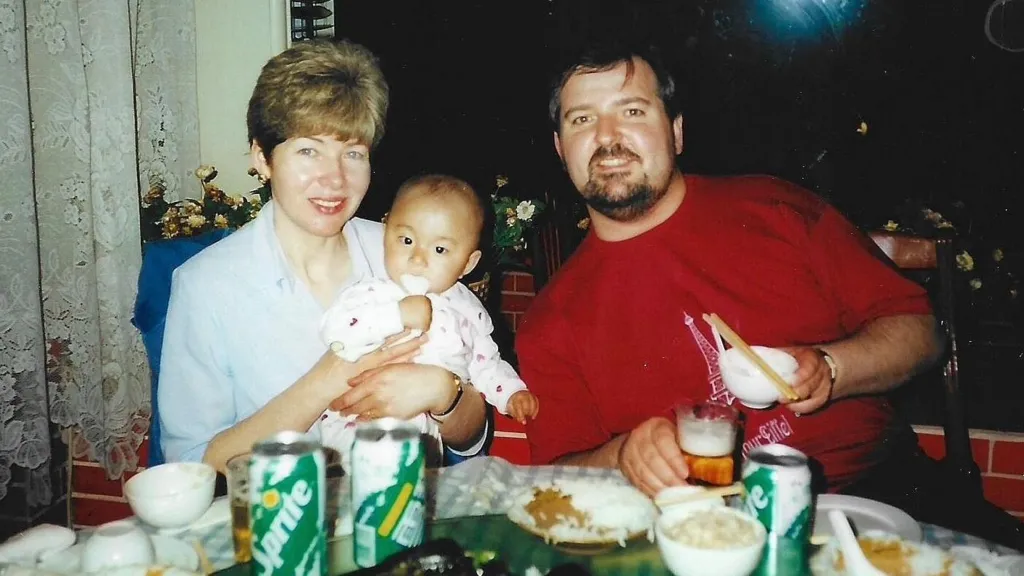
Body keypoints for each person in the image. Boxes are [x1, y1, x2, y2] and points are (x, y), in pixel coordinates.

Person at [516, 41, 1024, 550]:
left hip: (884, 493)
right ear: (561, 148)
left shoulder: (775, 207)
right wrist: (623, 456)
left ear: (675, 130)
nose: (608, 137)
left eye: (632, 111)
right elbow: (554, 478)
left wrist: (830, 368)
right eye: (582, 120)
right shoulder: (550, 319)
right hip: (692, 531)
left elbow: (921, 334)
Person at [158, 40, 488, 474]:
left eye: (353, 153)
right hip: (277, 523)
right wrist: (326, 380)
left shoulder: (406, 253)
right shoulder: (206, 287)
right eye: (308, 150)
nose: (335, 179)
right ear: (263, 157)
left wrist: (444, 394)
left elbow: (472, 437)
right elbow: (192, 465)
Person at [318, 174, 540, 469]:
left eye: (439, 249)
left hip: (423, 440)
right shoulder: (374, 292)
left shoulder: (469, 312)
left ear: (468, 264)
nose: (418, 258)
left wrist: (511, 391)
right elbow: (335, 331)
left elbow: (486, 363)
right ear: (386, 237)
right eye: (407, 240)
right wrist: (396, 315)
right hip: (356, 426)